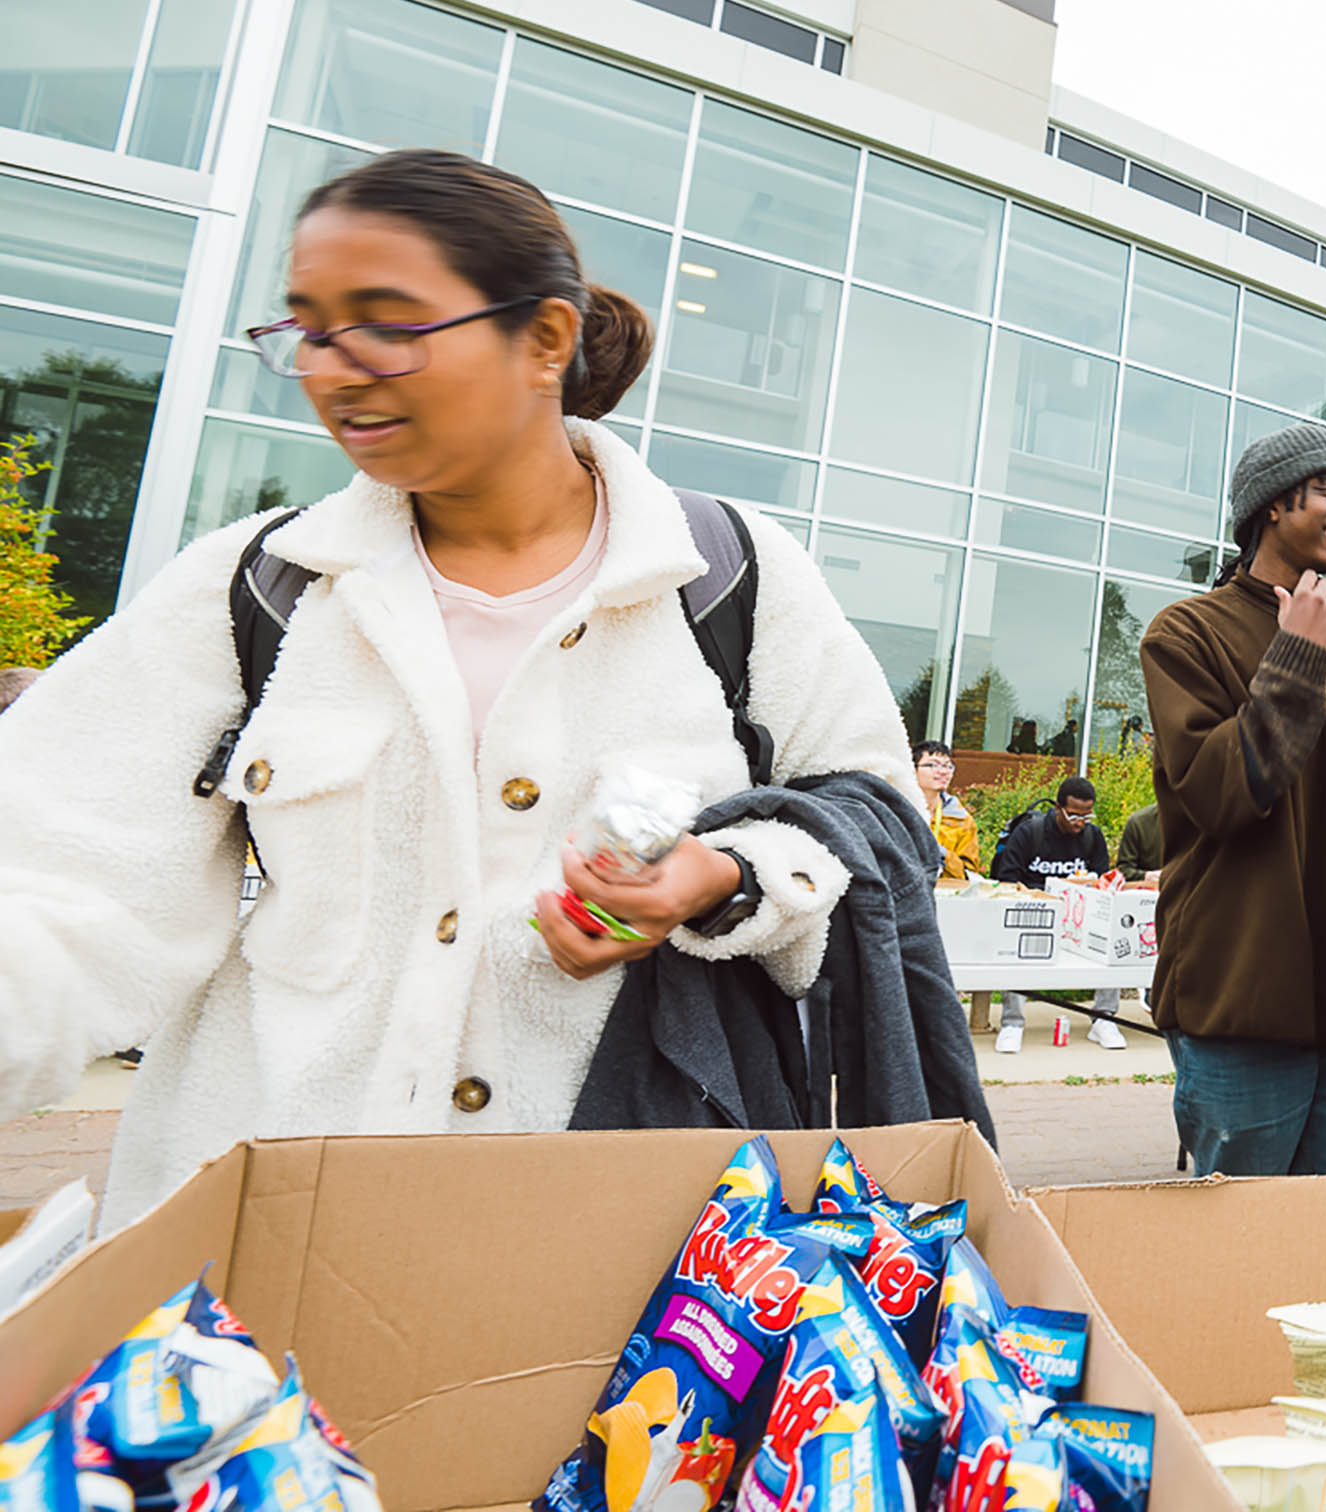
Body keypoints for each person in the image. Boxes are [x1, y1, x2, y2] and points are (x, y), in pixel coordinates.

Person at [0, 148, 955, 1225]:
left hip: (622, 1251)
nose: (335, 365)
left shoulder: (731, 575)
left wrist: (717, 877)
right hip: (260, 1238)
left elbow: (873, 814)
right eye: (308, 327)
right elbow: (65, 891)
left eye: (389, 322)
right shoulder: (257, 588)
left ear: (544, 337)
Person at [1139, 424, 1326, 1175]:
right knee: (1236, 1258)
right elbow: (1223, 794)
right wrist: (1297, 652)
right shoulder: (1186, 632)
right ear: (1270, 506)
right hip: (1240, 1011)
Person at [989, 774, 1122, 1051]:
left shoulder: (1092, 836)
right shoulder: (1030, 832)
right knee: (1018, 945)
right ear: (1059, 808)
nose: (1080, 823)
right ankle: (1012, 1023)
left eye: (1087, 816)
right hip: (1034, 909)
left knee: (1111, 936)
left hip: (1079, 911)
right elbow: (1007, 880)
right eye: (1074, 816)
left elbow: (1101, 881)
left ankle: (1104, 1018)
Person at [913, 740, 980, 882]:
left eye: (948, 766)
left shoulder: (961, 820)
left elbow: (969, 875)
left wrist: (942, 854)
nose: (943, 772)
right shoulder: (894, 812)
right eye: (933, 765)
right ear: (913, 770)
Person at [1116, 800, 1163, 882]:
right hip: (1148, 891)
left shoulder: (1192, 820)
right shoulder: (1139, 823)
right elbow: (1123, 870)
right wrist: (1146, 876)